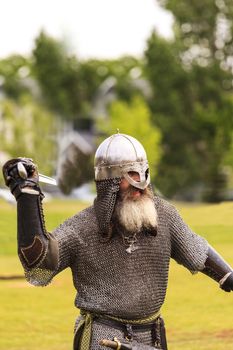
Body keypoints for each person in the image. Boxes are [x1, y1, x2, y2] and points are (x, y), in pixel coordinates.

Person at [2, 133, 233, 350]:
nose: (138, 184)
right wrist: (27, 195)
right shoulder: (82, 228)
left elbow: (197, 251)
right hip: (103, 337)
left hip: (152, 335)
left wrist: (229, 277)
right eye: (129, 176)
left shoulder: (163, 215)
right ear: (108, 181)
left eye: (142, 174)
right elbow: (39, 263)